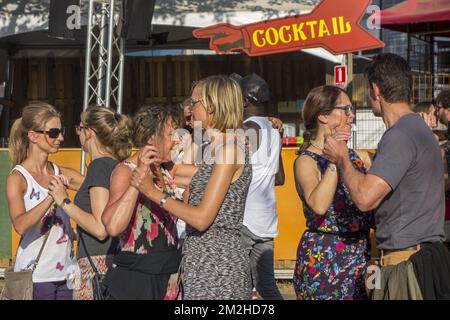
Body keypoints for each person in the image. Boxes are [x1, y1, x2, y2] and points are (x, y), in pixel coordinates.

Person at [323, 53, 446, 291]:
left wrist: (342, 159)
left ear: (376, 90)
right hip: (415, 257)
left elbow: (365, 198)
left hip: (405, 264)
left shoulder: (399, 135)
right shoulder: (417, 129)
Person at [131, 75, 253, 300]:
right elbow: (187, 202)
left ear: (212, 106)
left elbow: (201, 218)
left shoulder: (229, 150)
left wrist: (152, 192)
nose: (189, 109)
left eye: (194, 103)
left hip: (218, 264)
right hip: (201, 258)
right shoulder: (211, 149)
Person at [293, 85, 373, 300]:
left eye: (351, 109)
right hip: (324, 261)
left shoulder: (362, 158)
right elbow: (319, 205)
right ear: (323, 116)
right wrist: (336, 158)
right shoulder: (306, 161)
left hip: (363, 254)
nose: (352, 115)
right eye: (345, 109)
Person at [101, 105, 189, 300]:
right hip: (137, 279)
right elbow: (113, 226)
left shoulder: (167, 171)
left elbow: (208, 175)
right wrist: (137, 182)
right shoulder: (126, 170)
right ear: (151, 138)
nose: (177, 140)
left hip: (168, 276)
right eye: (170, 134)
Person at [46, 105, 133, 300]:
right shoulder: (115, 166)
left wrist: (64, 201)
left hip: (96, 267)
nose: (78, 133)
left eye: (79, 128)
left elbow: (100, 228)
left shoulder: (99, 166)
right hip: (113, 262)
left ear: (89, 132)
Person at [6, 102, 82, 300]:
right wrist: (52, 196)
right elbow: (20, 225)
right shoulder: (18, 177)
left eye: (61, 131)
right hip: (36, 275)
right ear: (33, 136)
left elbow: (95, 185)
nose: (61, 138)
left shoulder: (59, 172)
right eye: (54, 132)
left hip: (67, 272)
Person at [231, 73, 285, 300]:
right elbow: (280, 177)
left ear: (244, 101)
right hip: (265, 222)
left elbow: (226, 170)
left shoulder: (247, 130)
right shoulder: (274, 130)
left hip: (244, 220)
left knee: (236, 287)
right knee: (267, 287)